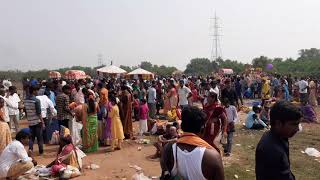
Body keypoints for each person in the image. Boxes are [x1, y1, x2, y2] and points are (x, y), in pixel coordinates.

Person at [161, 106, 225, 180]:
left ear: (181, 126)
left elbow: (164, 176)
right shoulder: (213, 157)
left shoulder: (168, 149)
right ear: (203, 128)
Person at [256, 101, 302, 180]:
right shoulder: (272, 150)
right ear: (278, 124)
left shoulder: (278, 136)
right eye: (294, 124)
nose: (297, 129)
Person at [24, 86, 45, 155]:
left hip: (30, 121)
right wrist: (43, 122)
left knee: (31, 138)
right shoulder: (36, 100)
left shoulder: (26, 100)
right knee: (39, 137)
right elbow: (39, 113)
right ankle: (41, 151)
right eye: (36, 91)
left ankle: (30, 150)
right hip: (37, 122)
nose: (37, 92)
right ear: (33, 91)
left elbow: (26, 111)